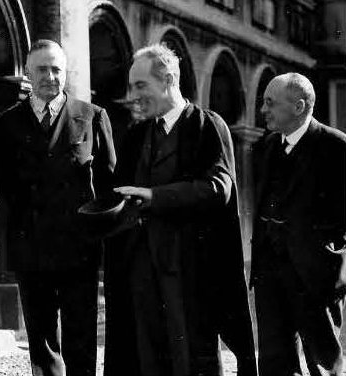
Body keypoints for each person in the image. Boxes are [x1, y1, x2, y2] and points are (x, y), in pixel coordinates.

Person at [103, 44, 256, 376]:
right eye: (131, 86)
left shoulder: (206, 126)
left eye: (140, 85)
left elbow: (220, 188)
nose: (133, 96)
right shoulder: (137, 134)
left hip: (189, 274)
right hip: (141, 270)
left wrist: (155, 196)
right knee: (144, 360)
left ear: (169, 79)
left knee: (189, 360)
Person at [0, 39, 116, 376]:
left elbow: (108, 184)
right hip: (31, 246)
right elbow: (2, 185)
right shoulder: (5, 124)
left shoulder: (91, 116)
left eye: (56, 69)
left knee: (82, 333)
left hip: (80, 248)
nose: (50, 76)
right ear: (28, 72)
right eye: (42, 69)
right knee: (41, 338)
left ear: (66, 73)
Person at [252, 72, 346, 376]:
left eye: (270, 103)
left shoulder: (336, 146)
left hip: (315, 278)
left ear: (299, 106)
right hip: (270, 277)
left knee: (324, 364)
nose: (263, 110)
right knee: (274, 362)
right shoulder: (266, 147)